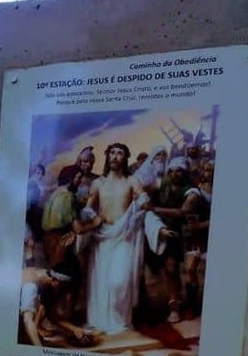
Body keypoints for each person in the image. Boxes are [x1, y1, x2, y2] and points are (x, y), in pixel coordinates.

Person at [76, 143, 170, 335]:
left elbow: (144, 206)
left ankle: (120, 323)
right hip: (101, 238)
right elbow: (88, 209)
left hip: (125, 235)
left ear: (125, 158)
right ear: (107, 156)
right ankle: (100, 322)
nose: (115, 156)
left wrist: (157, 226)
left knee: (119, 281)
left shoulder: (132, 181)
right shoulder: (98, 183)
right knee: (101, 283)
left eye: (120, 153)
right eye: (112, 153)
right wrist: (87, 220)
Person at [144, 156, 190, 323]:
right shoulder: (162, 186)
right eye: (171, 170)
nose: (174, 174)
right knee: (152, 268)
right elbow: (145, 193)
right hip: (155, 229)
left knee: (171, 269)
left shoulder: (188, 190)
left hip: (174, 232)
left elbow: (182, 212)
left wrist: (155, 208)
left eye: (179, 171)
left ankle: (174, 307)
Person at [19, 266, 96, 347]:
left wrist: (75, 329)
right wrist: (39, 350)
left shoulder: (46, 276)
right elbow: (27, 320)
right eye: (60, 286)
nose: (58, 290)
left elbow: (52, 316)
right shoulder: (31, 286)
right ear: (54, 280)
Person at [180, 158, 213, 316]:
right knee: (190, 269)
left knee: (212, 273)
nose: (207, 172)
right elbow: (187, 210)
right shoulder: (196, 191)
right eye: (205, 169)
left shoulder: (223, 190)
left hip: (213, 238)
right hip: (198, 238)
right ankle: (191, 306)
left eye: (210, 169)